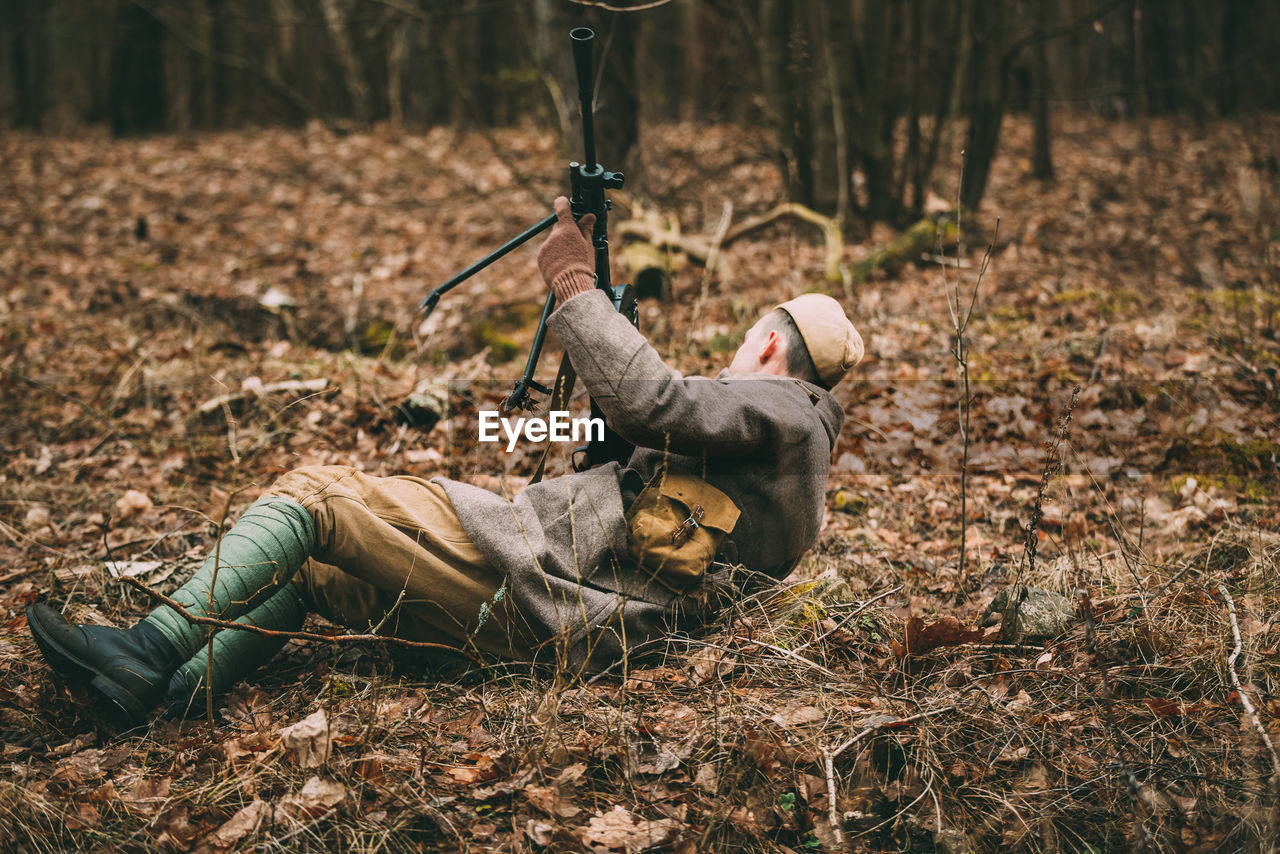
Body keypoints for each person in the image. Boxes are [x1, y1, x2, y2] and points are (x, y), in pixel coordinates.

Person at [26, 197, 864, 728]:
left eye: (745, 340)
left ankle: (143, 649)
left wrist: (573, 283)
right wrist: (588, 437)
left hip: (539, 590)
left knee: (315, 493)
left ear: (766, 341)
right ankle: (163, 696)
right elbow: (650, 489)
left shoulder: (781, 410)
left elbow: (658, 400)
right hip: (571, 628)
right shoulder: (792, 470)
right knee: (318, 574)